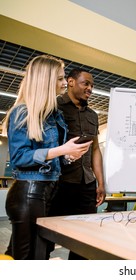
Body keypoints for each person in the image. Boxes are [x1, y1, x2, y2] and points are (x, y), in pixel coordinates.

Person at [2, 55, 92, 260]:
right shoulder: (22, 113)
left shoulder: (53, 115)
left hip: (50, 191)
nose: (64, 83)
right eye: (60, 78)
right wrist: (60, 150)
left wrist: (68, 155)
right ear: (46, 80)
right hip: (28, 194)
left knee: (42, 254)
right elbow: (19, 158)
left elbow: (52, 157)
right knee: (28, 259)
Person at [49, 68, 106, 259]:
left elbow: (95, 149)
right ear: (71, 82)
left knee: (85, 241)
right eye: (85, 83)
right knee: (46, 238)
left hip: (86, 184)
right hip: (59, 182)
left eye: (92, 85)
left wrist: (100, 182)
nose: (90, 88)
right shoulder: (54, 107)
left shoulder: (93, 115)